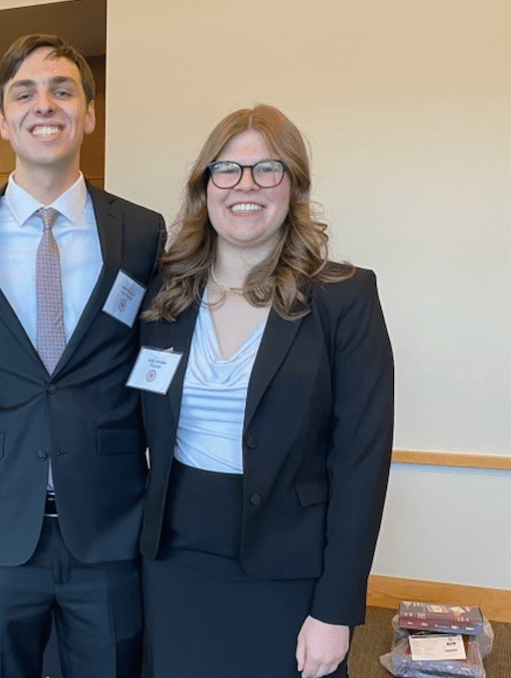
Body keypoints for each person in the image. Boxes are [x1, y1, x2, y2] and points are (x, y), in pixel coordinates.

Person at [0, 35, 166, 678]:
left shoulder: (142, 234)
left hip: (110, 525)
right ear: (3, 121)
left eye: (63, 90)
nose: (46, 105)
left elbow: (162, 353)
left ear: (89, 114)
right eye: (25, 93)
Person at [134, 104, 394, 678]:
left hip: (290, 570)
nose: (245, 185)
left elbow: (362, 464)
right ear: (205, 187)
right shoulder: (162, 300)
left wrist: (336, 610)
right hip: (174, 563)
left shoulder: (343, 300)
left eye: (267, 169)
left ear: (293, 185)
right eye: (226, 169)